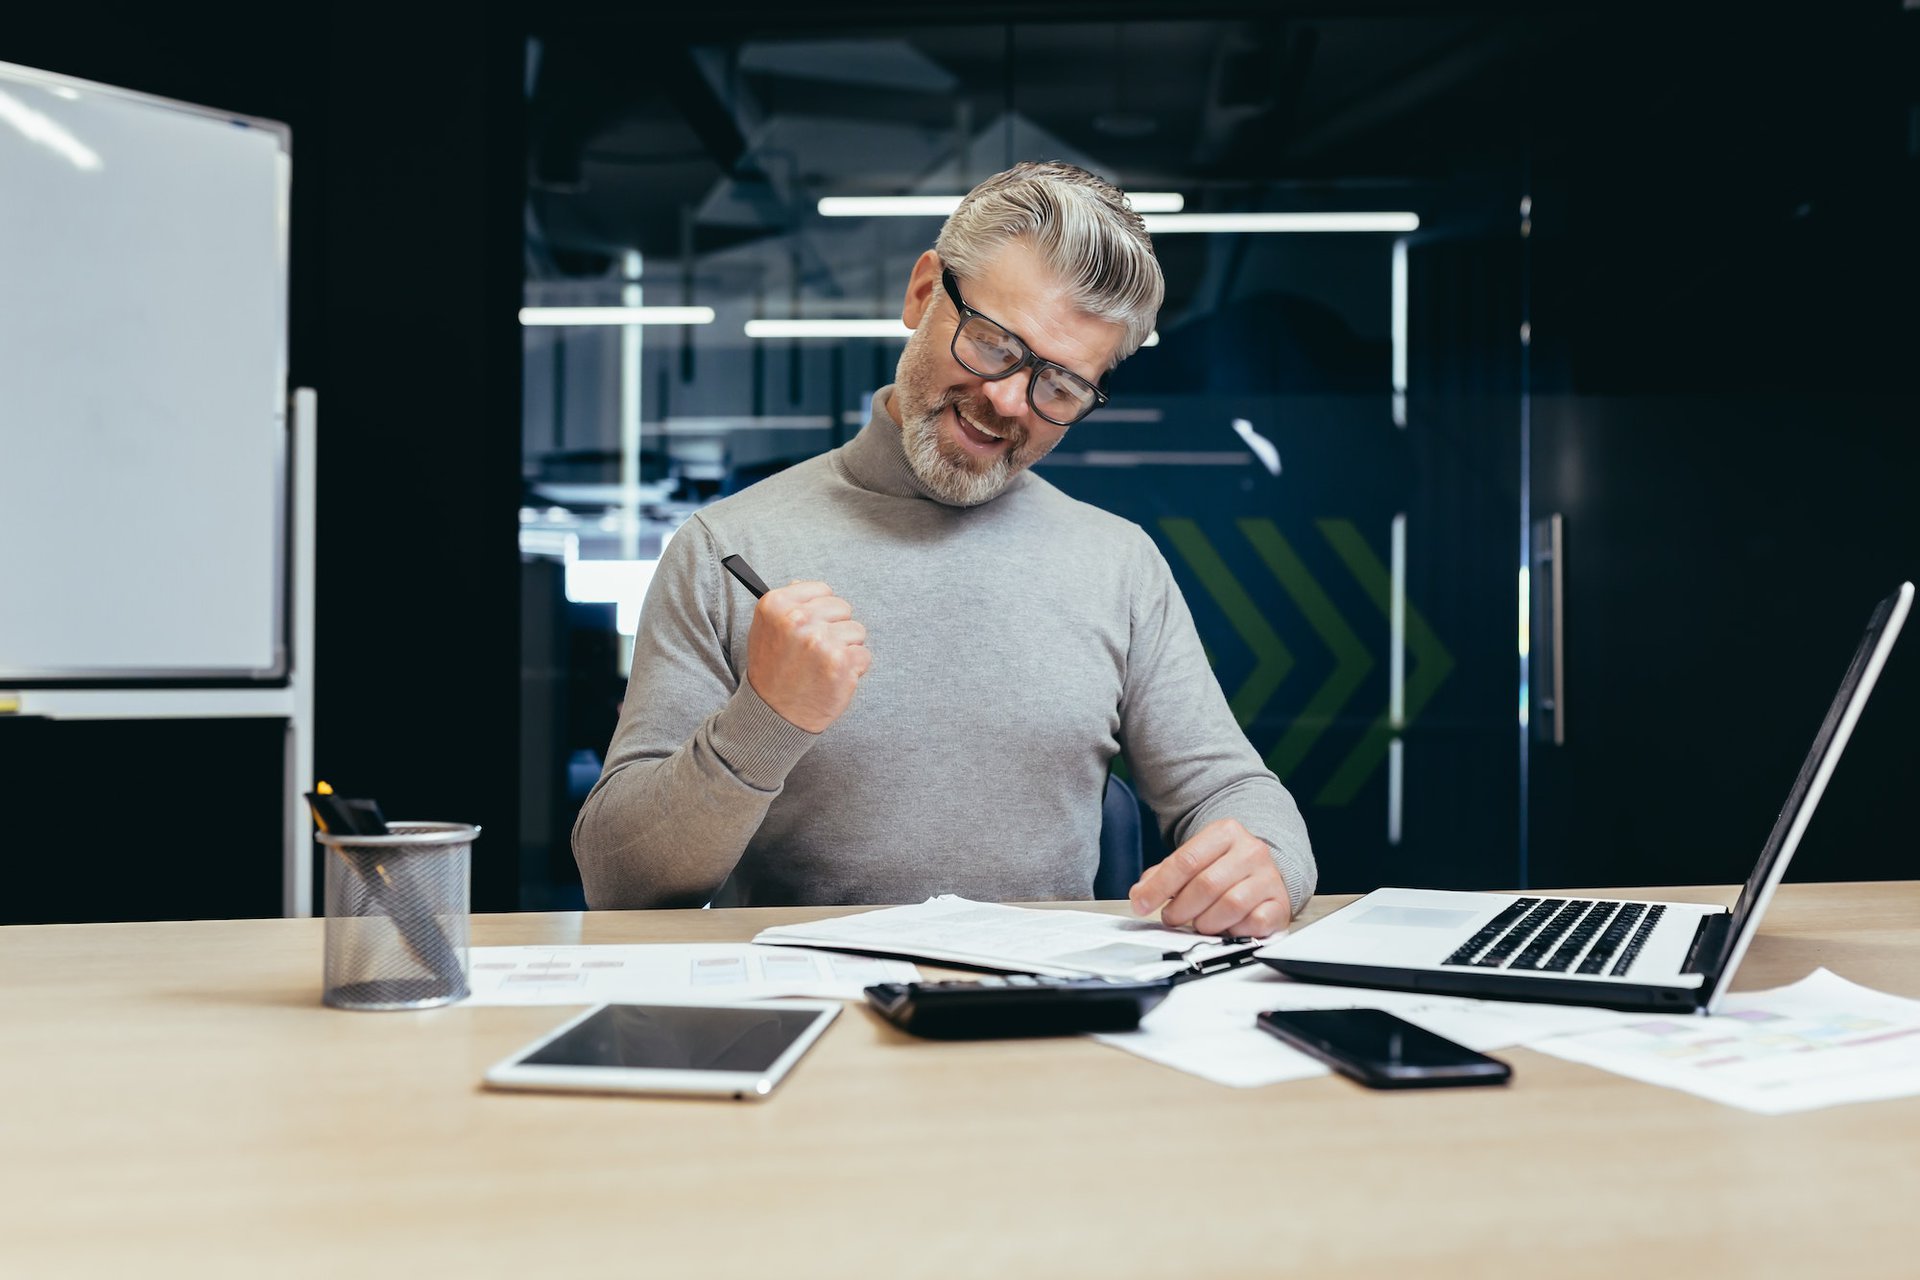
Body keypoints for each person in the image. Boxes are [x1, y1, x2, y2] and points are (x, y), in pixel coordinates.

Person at [573, 161, 1314, 937]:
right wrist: (767, 718)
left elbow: (1232, 791)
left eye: (1060, 386)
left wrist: (1266, 861)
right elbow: (618, 883)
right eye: (993, 343)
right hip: (807, 1002)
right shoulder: (724, 550)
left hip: (1044, 1001)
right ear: (924, 292)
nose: (1008, 400)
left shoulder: (1118, 566)